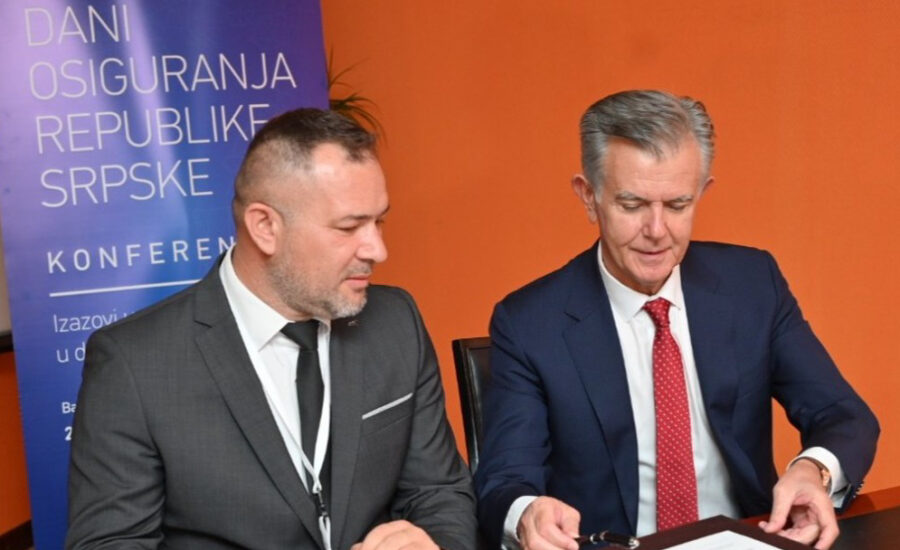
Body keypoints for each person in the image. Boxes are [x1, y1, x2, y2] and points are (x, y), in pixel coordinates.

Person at [474, 90, 879, 550]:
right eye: (632, 205)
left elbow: (844, 415)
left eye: (678, 205)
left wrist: (814, 469)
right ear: (589, 197)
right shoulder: (529, 323)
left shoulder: (752, 285)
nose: (656, 231)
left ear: (702, 192)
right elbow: (505, 479)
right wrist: (527, 512)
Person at [67, 108, 476, 550]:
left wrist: (434, 544)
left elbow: (439, 491)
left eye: (379, 221)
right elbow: (112, 543)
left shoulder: (395, 321)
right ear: (265, 227)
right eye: (349, 227)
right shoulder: (134, 362)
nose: (378, 249)